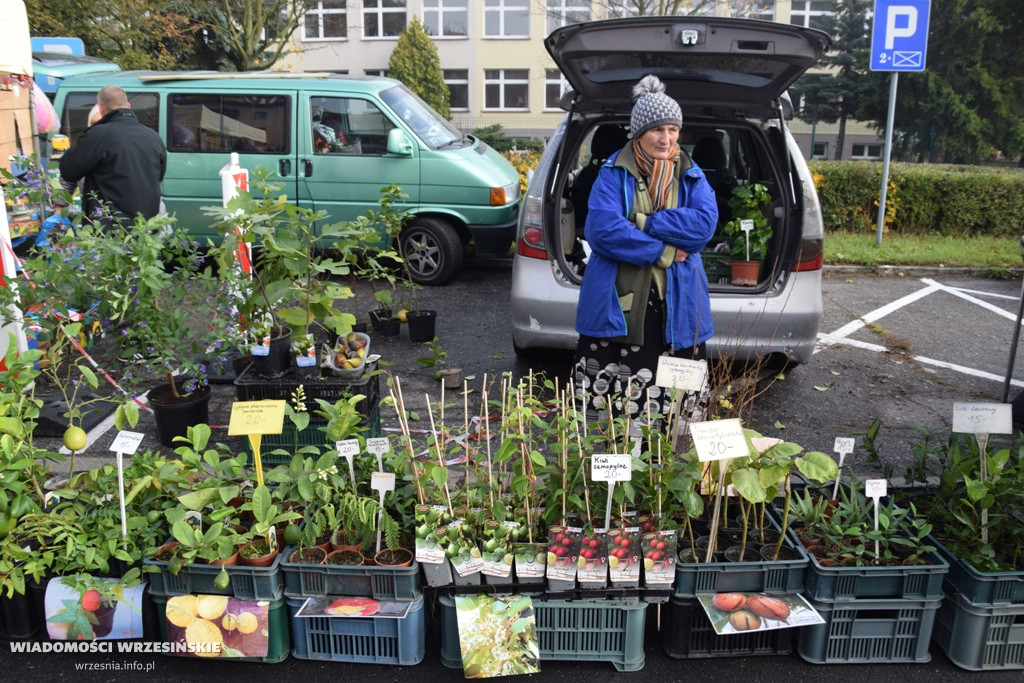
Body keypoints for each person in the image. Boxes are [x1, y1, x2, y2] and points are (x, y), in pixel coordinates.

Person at [572, 74, 718, 434]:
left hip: (678, 310)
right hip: (616, 309)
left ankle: (662, 478)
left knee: (673, 411)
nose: (666, 138)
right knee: (611, 415)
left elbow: (702, 227)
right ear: (638, 133)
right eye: (656, 130)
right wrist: (665, 250)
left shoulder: (692, 175)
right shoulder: (612, 172)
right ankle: (611, 480)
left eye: (672, 129)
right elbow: (603, 231)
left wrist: (642, 221)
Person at [59, 85, 166, 228]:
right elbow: (159, 176)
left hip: (110, 231)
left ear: (101, 109)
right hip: (145, 229)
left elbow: (68, 170)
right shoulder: (153, 137)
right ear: (128, 106)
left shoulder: (98, 135)